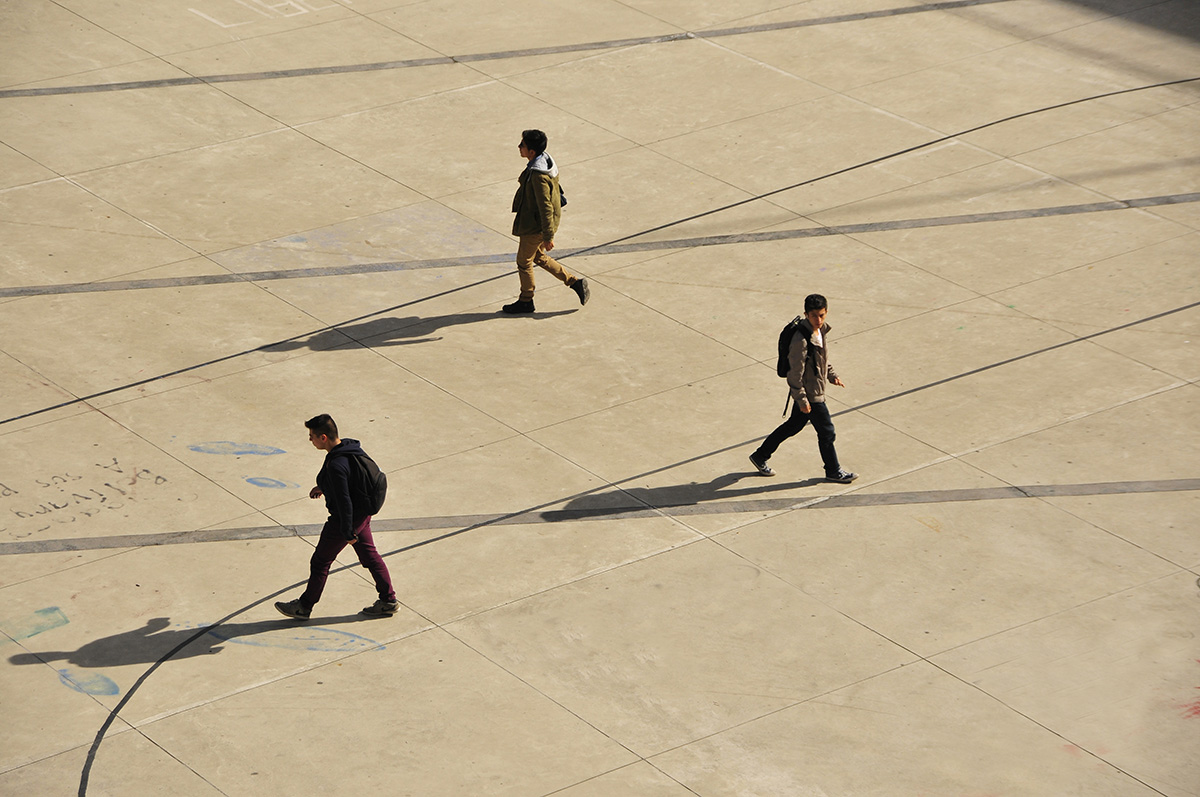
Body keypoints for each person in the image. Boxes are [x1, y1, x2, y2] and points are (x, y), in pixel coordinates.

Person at [275, 414, 399, 619]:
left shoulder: (336, 465)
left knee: (321, 562)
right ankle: (388, 600)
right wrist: (324, 486)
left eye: (312, 436)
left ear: (323, 437)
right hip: (363, 515)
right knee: (370, 556)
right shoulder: (350, 449)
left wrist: (347, 530)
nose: (310, 440)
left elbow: (344, 500)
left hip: (346, 520)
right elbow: (352, 479)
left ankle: (304, 607)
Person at [749, 294, 857, 483]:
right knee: (827, 432)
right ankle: (833, 471)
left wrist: (832, 375)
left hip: (814, 390)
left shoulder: (820, 330)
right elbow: (794, 374)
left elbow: (822, 359)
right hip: (810, 396)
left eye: (822, 315)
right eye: (814, 316)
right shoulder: (800, 340)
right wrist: (802, 400)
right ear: (805, 314)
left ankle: (760, 455)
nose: (818, 320)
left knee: (793, 426)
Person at [503, 128, 590, 314]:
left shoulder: (538, 175)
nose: (519, 147)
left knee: (523, 262)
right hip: (537, 222)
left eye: (522, 145)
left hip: (535, 226)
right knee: (539, 258)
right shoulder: (543, 161)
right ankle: (575, 283)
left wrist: (548, 235)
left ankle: (526, 300)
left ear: (532, 152)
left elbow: (545, 206)